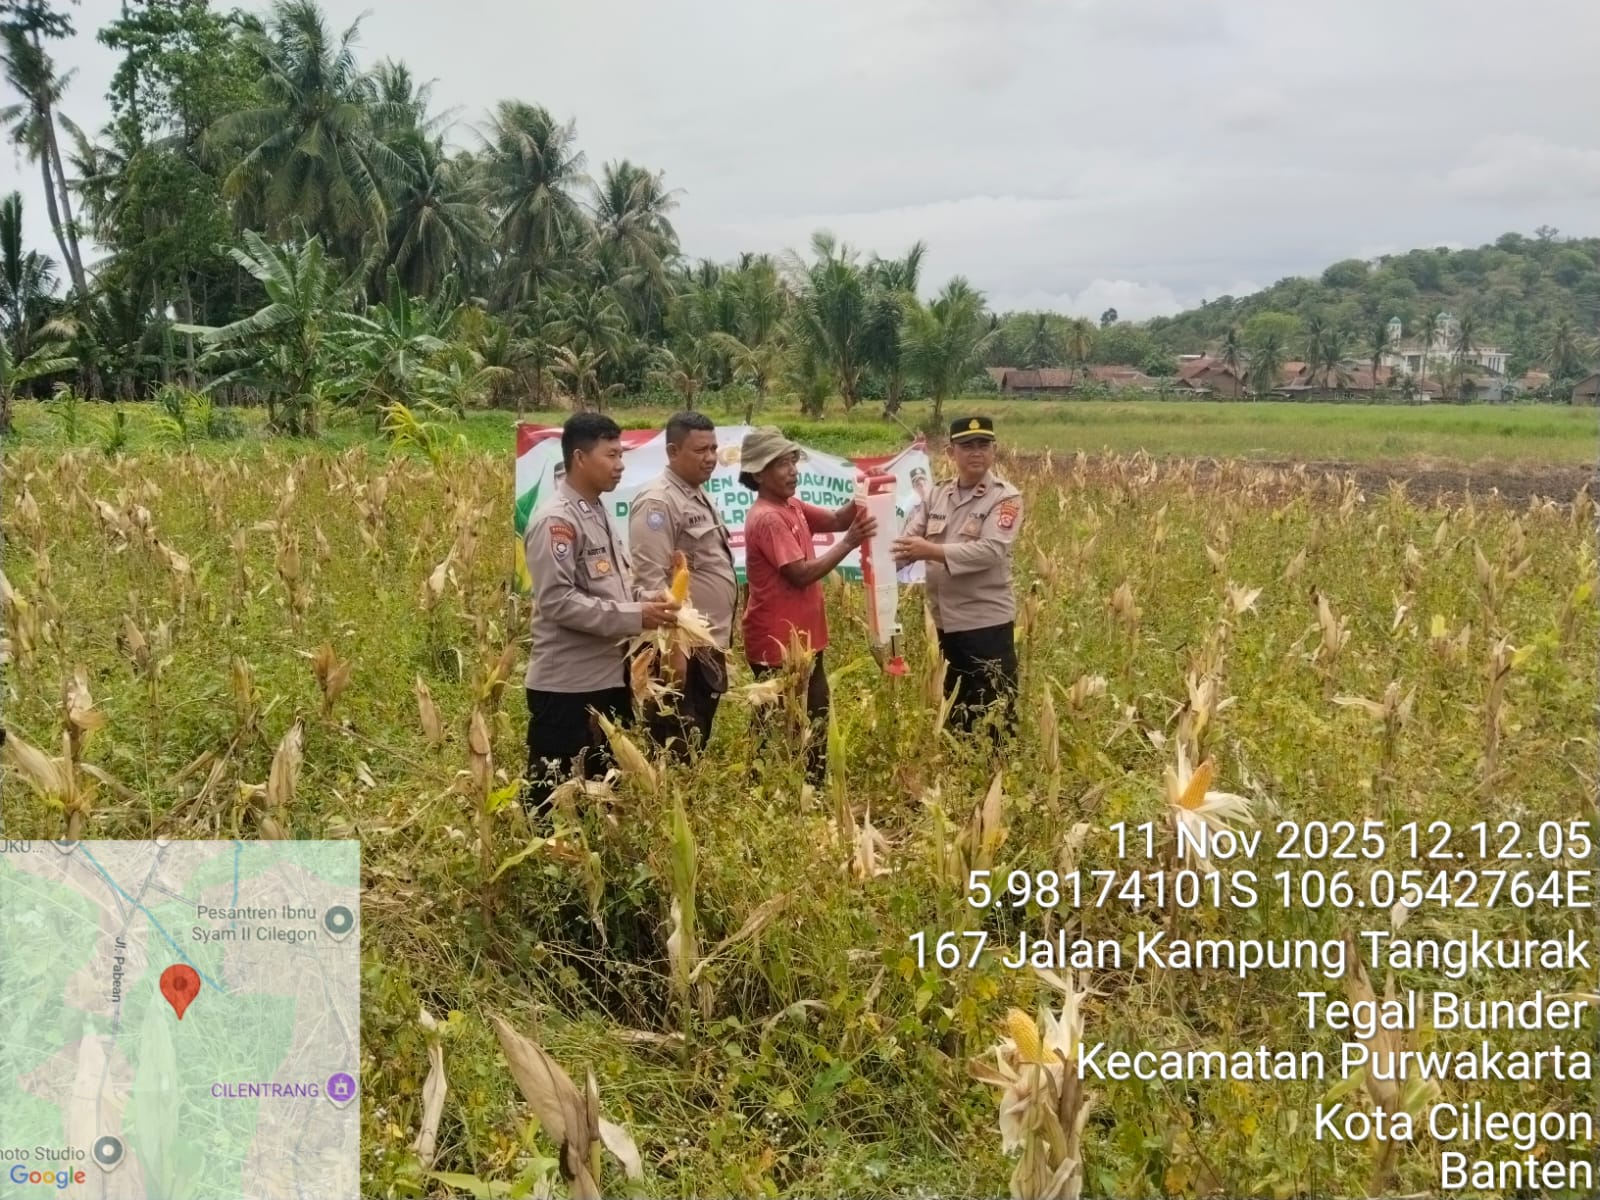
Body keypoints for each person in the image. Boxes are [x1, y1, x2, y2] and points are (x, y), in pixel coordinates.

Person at [523, 413, 679, 814]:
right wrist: (635, 616)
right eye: (611, 455)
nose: (620, 464)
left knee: (600, 792)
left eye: (621, 455)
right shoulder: (557, 521)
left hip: (608, 680)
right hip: (567, 687)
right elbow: (557, 601)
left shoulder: (598, 513)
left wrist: (651, 600)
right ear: (579, 457)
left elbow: (615, 589)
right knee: (552, 798)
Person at [739, 427, 876, 788]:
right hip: (778, 642)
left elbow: (836, 520)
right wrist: (849, 543)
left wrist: (865, 490)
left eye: (792, 461)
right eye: (781, 464)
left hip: (803, 636)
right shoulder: (768, 517)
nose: (792, 470)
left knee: (812, 712)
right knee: (774, 719)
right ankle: (763, 788)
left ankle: (807, 788)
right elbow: (799, 574)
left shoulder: (792, 506)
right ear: (758, 474)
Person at [892, 415, 1023, 741]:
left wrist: (930, 551)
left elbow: (991, 550)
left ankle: (998, 767)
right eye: (967, 446)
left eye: (983, 445)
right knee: (957, 705)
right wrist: (875, 560)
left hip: (985, 622)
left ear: (994, 450)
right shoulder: (936, 495)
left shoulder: (1005, 498)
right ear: (951, 453)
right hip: (945, 622)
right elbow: (908, 542)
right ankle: (961, 764)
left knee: (994, 710)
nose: (976, 452)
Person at [627, 411, 738, 758]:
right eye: (700, 450)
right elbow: (651, 584)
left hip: (707, 644)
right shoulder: (658, 502)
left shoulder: (697, 494)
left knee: (696, 737)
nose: (710, 458)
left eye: (714, 449)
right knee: (674, 744)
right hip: (679, 652)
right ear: (673, 452)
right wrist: (673, 655)